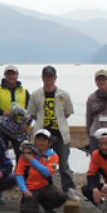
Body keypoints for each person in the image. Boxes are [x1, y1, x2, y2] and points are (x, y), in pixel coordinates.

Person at [27, 65, 79, 200]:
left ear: (55, 78)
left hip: (60, 134)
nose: (48, 79)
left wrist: (57, 123)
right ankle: (43, 188)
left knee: (63, 164)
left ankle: (69, 189)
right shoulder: (35, 94)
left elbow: (67, 113)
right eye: (46, 76)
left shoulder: (64, 95)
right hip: (42, 136)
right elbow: (32, 113)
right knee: (41, 162)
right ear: (42, 78)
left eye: (51, 76)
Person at [15, 129, 67, 213]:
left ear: (49, 143)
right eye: (38, 140)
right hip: (31, 188)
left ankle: (46, 205)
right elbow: (19, 174)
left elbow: (47, 173)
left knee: (62, 197)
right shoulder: (26, 154)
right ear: (35, 141)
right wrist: (24, 190)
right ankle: (29, 202)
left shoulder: (53, 156)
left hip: (45, 186)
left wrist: (31, 160)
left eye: (44, 140)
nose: (40, 143)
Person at [0, 65, 30, 158]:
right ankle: (4, 172)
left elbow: (32, 110)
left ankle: (20, 172)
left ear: (17, 75)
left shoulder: (24, 91)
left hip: (20, 129)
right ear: (5, 76)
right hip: (2, 128)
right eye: (8, 74)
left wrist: (27, 124)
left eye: (13, 74)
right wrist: (3, 112)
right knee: (1, 154)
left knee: (22, 155)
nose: (11, 76)